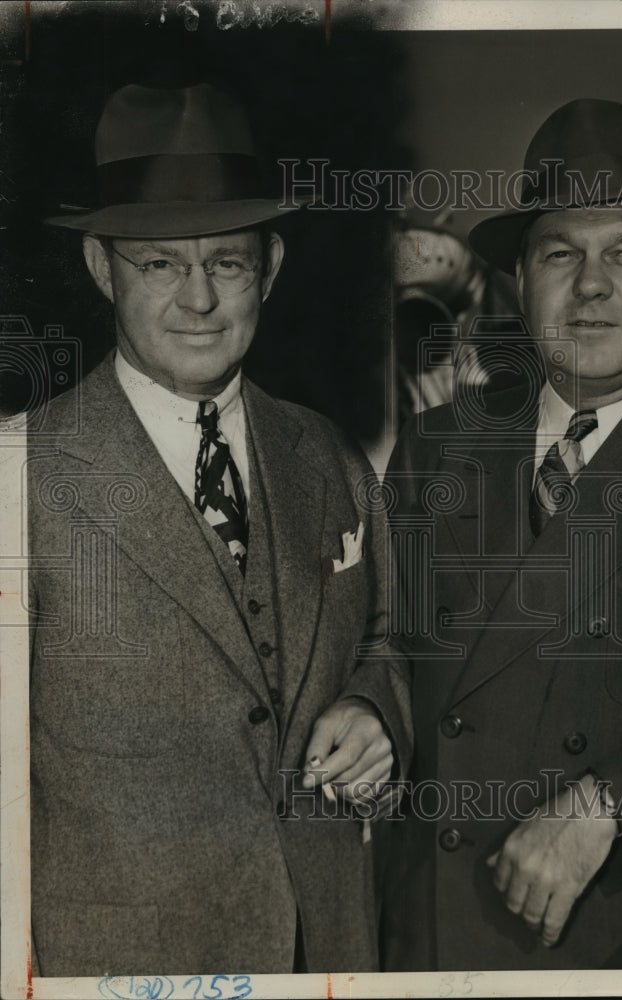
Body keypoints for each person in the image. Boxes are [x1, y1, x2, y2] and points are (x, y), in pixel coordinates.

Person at [28, 81, 410, 976]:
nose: (199, 299)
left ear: (269, 268)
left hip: (329, 949)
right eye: (161, 263)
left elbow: (389, 640)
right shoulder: (20, 474)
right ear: (101, 267)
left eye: (227, 264)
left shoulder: (328, 454)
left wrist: (376, 708)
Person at [382, 99, 622, 970]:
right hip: (437, 944)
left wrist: (615, 805)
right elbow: (383, 652)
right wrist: (368, 706)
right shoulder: (436, 444)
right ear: (519, 279)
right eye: (561, 253)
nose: (591, 285)